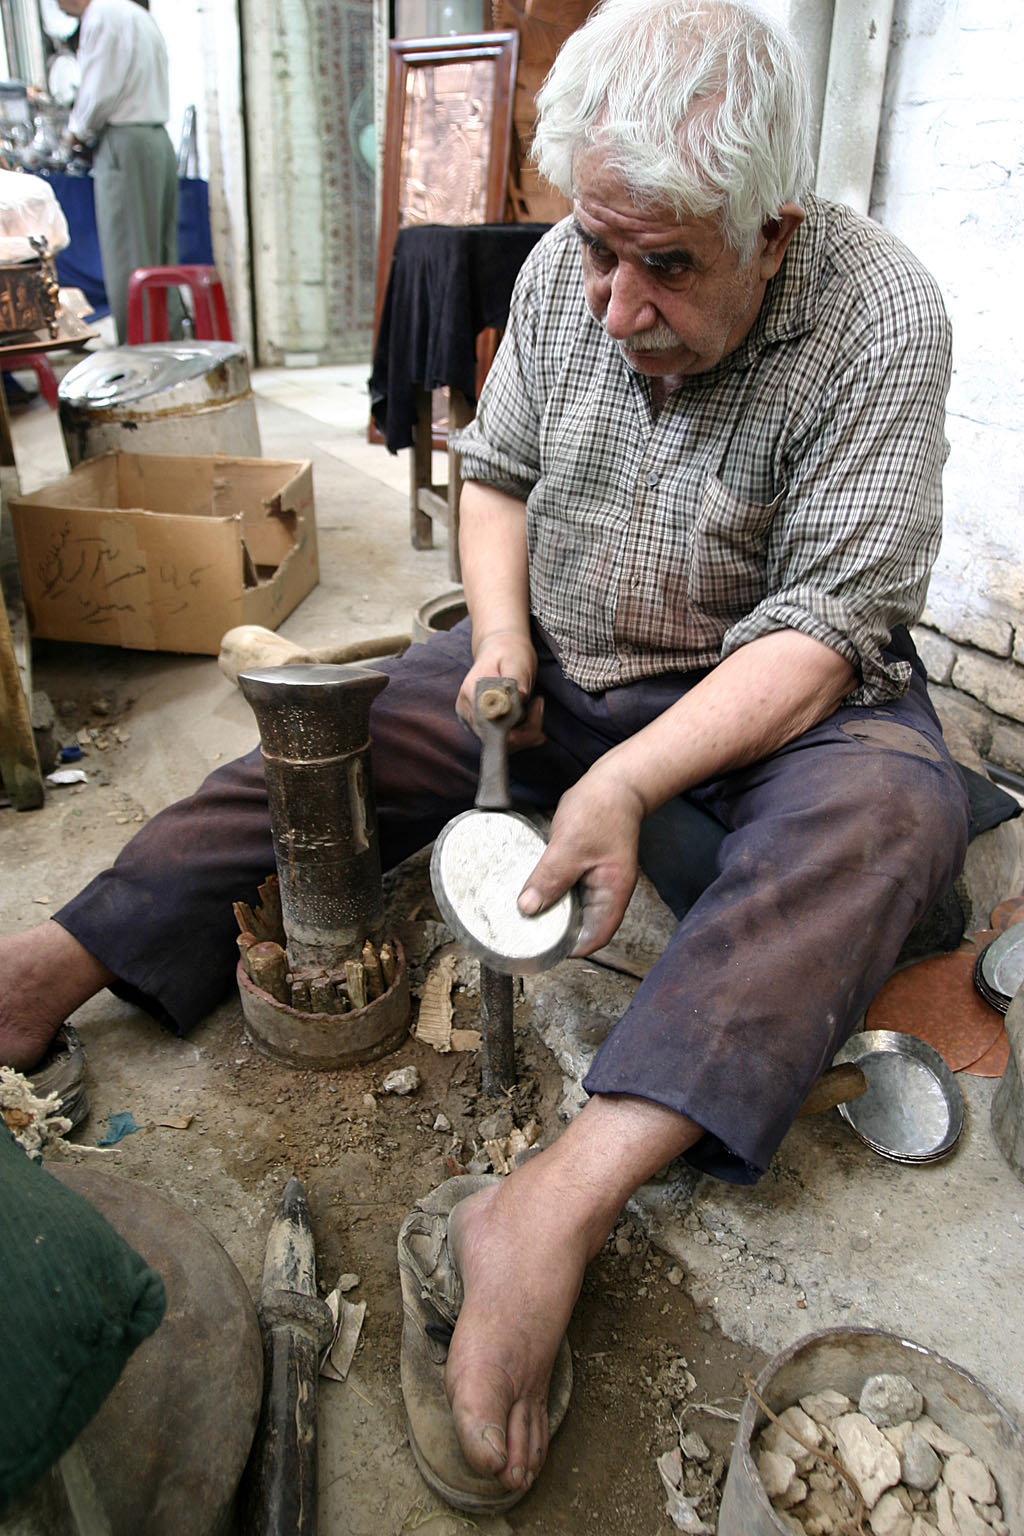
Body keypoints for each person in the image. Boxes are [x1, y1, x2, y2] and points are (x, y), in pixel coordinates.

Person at [2, 0, 971, 1509]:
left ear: (775, 231)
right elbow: (498, 477)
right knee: (322, 731)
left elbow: (832, 625)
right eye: (595, 247)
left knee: (892, 813)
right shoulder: (562, 275)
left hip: (768, 701)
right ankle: (63, 960)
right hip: (563, 661)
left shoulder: (881, 317)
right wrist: (506, 647)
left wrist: (636, 779)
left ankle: (551, 1205)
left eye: (668, 266)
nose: (614, 304)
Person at [58, 0, 179, 342]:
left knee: (130, 255)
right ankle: (166, 345)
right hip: (156, 139)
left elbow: (99, 89)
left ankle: (141, 353)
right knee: (159, 255)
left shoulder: (103, 16)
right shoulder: (135, 13)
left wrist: (76, 132)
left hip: (125, 141)